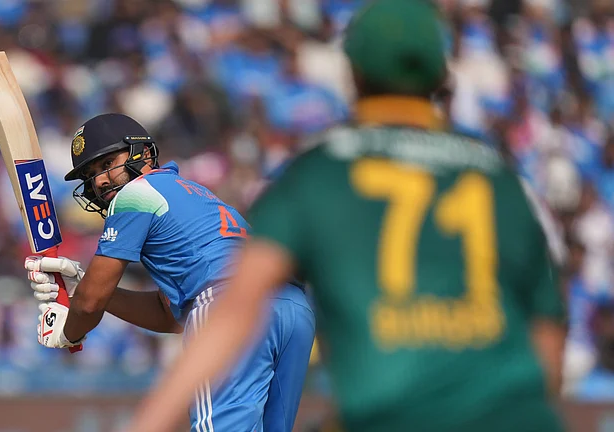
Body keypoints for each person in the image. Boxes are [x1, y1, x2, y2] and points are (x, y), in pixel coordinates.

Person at [125, 1, 567, 431]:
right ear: (441, 76)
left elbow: (238, 307)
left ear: (353, 74)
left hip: (390, 413)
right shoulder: (499, 176)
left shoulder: (322, 171)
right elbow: (548, 344)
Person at [24, 113, 315, 431]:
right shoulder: (189, 192)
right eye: (91, 174)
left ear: (143, 153)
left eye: (107, 164)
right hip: (292, 307)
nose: (100, 180)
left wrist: (69, 331)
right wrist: (83, 285)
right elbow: (167, 315)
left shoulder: (134, 195)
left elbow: (91, 304)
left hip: (227, 304)